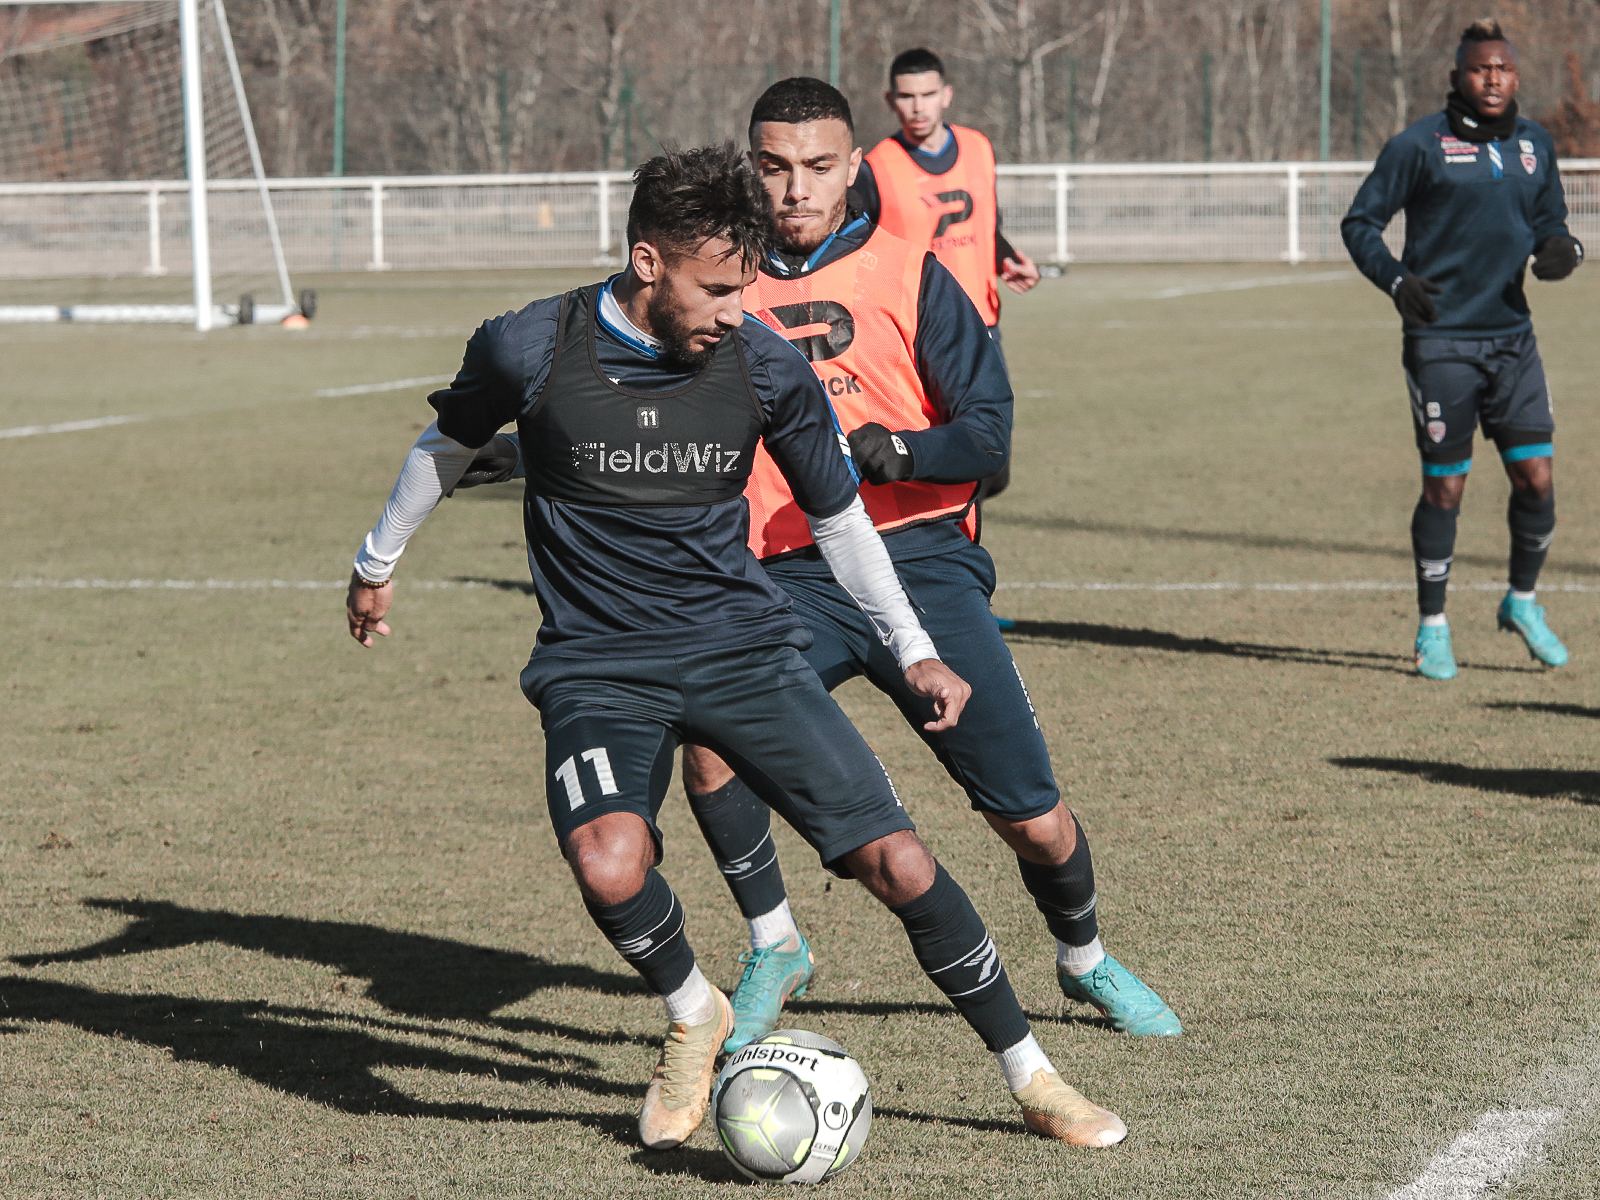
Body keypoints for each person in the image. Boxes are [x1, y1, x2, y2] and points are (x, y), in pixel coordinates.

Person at [346, 145, 1129, 1150]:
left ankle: (1033, 1075)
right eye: (716, 288)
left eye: (746, 286)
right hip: (598, 664)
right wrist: (376, 563)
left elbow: (840, 520)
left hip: (742, 650)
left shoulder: (763, 364)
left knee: (898, 863)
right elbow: (446, 446)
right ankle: (693, 1011)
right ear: (647, 263)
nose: (736, 309)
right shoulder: (529, 345)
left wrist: (915, 648)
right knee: (609, 864)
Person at [1342, 19, 1583, 680]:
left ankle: (1522, 602)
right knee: (1446, 487)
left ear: (1515, 75)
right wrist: (1397, 282)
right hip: (1442, 343)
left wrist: (1563, 249)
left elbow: (1551, 224)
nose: (1493, 79)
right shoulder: (1418, 146)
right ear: (1457, 77)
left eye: (1503, 68)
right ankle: (1433, 628)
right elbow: (1360, 223)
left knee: (1537, 480)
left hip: (1513, 341)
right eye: (1481, 69)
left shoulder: (1535, 144)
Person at [850, 46, 1041, 505]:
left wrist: (1008, 258)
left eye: (928, 94)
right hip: (916, 336)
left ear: (947, 95)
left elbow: (984, 223)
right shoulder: (876, 169)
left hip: (981, 327)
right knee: (933, 455)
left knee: (992, 461)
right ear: (890, 100)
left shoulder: (979, 147)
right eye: (907, 96)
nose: (918, 106)